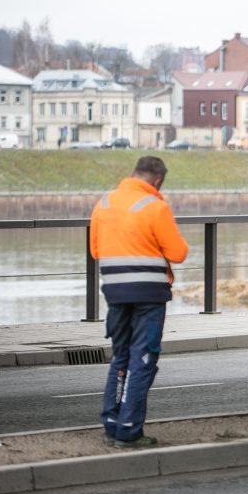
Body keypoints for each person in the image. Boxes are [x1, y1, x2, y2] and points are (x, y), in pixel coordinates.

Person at [90, 156, 188, 448]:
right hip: (148, 295)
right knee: (143, 359)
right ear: (157, 180)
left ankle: (111, 423)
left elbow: (96, 250)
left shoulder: (104, 203)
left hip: (115, 293)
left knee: (120, 356)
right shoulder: (155, 207)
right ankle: (129, 430)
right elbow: (179, 252)